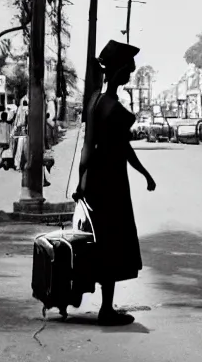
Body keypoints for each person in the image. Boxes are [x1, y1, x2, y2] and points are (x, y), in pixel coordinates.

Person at [74, 40, 156, 327]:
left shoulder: (95, 101)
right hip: (112, 181)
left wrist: (81, 181)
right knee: (113, 241)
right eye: (128, 70)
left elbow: (87, 147)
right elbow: (124, 149)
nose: (130, 75)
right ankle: (106, 309)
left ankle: (105, 305)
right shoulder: (113, 108)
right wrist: (145, 174)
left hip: (96, 178)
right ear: (119, 71)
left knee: (102, 240)